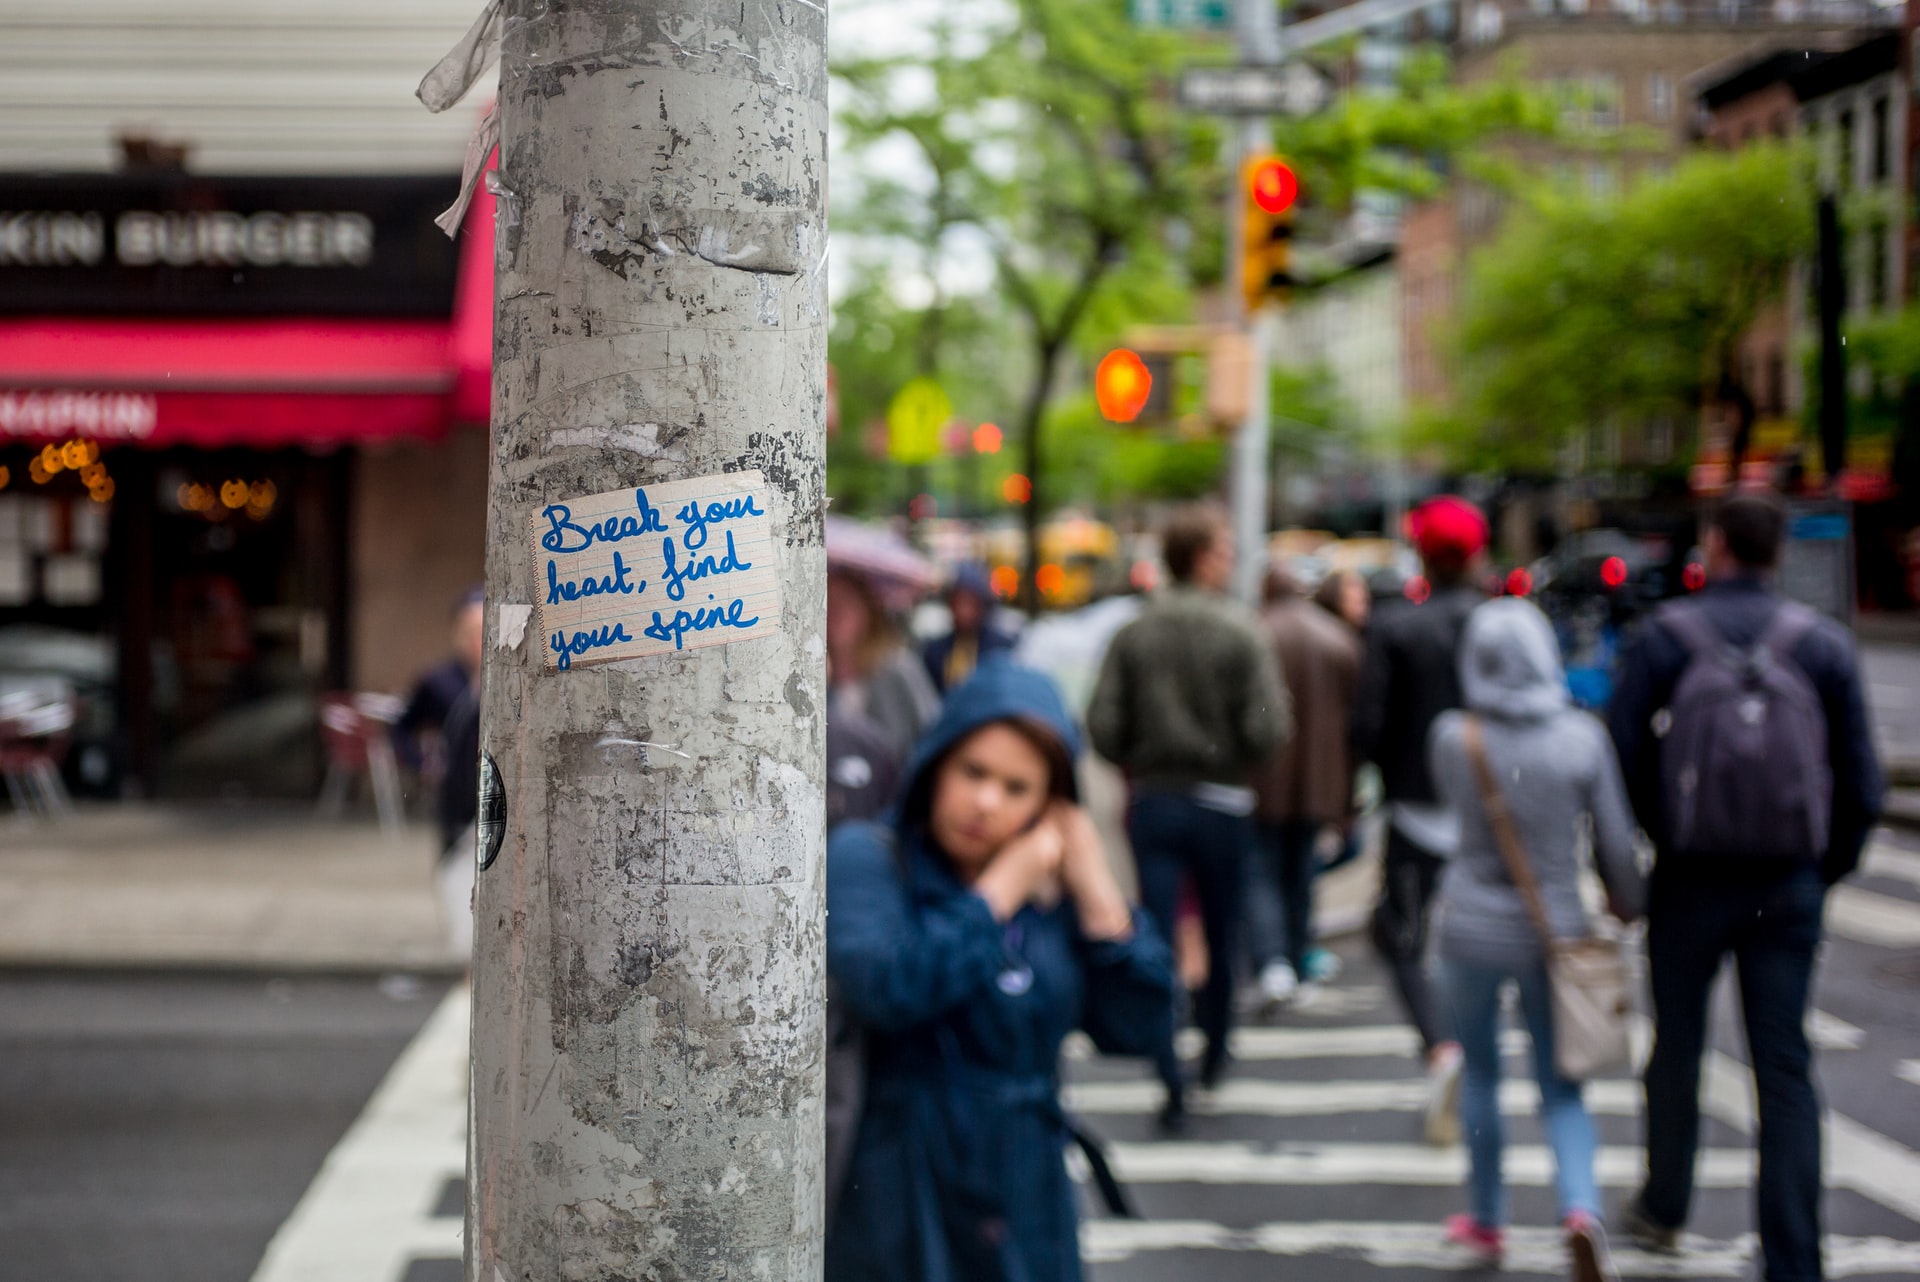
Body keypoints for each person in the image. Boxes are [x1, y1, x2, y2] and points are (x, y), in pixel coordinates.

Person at [1607, 492, 1883, 1282]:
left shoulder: (1665, 638)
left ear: (1717, 546)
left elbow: (1620, 759)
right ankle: (1792, 1255)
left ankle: (1664, 1205)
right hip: (1787, 883)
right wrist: (1819, 869)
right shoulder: (1823, 646)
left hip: (1691, 879)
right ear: (1776, 553)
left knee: (1677, 1046)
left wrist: (1669, 835)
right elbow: (1862, 784)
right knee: (1785, 1064)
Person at [825, 660, 1175, 1282]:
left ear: (1050, 804)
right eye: (974, 772)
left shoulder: (1054, 891)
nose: (986, 802)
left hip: (1027, 1188)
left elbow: (1141, 1027)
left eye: (1017, 788)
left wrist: (1094, 887)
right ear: (936, 764)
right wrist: (998, 893)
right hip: (905, 1186)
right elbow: (887, 985)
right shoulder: (869, 857)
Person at [1429, 597, 1644, 1282]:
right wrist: (1628, 904)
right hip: (1557, 933)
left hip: (1467, 928)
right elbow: (1615, 846)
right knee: (1562, 1086)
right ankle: (1580, 1211)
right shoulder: (1583, 739)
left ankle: (1487, 1220)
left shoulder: (1451, 737)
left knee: (1484, 1075)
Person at [1088, 504, 1290, 1128]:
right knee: (1223, 932)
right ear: (1202, 556)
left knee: (1155, 938)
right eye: (1225, 550)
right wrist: (1233, 754)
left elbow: (1103, 725)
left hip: (1154, 799)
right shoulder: (1240, 631)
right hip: (1222, 803)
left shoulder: (1134, 633)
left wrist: (1142, 757)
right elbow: (1271, 727)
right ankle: (1216, 1050)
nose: (1232, 560)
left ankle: (1167, 1069)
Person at [1352, 494, 1489, 1144]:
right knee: (1477, 939)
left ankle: (1442, 1045)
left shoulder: (1395, 626)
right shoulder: (1500, 622)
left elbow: (1369, 723)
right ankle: (1466, 1048)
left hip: (1414, 807)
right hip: (1490, 814)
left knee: (1401, 934)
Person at [1247, 565, 1361, 1010]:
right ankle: (1295, 959)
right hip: (1320, 781)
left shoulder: (1256, 632)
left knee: (1263, 872)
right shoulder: (1336, 638)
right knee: (1299, 874)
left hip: (1263, 779)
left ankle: (1273, 961)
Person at [828, 567, 941, 759]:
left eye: (846, 602)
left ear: (868, 610)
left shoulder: (899, 668)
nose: (835, 613)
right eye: (828, 603)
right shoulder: (818, 677)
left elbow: (933, 735)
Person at [392, 588, 485, 787]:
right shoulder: (437, 681)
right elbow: (401, 728)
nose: (478, 642)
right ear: (457, 634)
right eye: (471, 632)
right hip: (456, 793)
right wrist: (422, 764)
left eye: (483, 631)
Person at [922, 563, 1017, 695]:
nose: (963, 611)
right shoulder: (935, 650)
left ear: (983, 605)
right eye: (957, 602)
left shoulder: (1001, 648)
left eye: (970, 603)